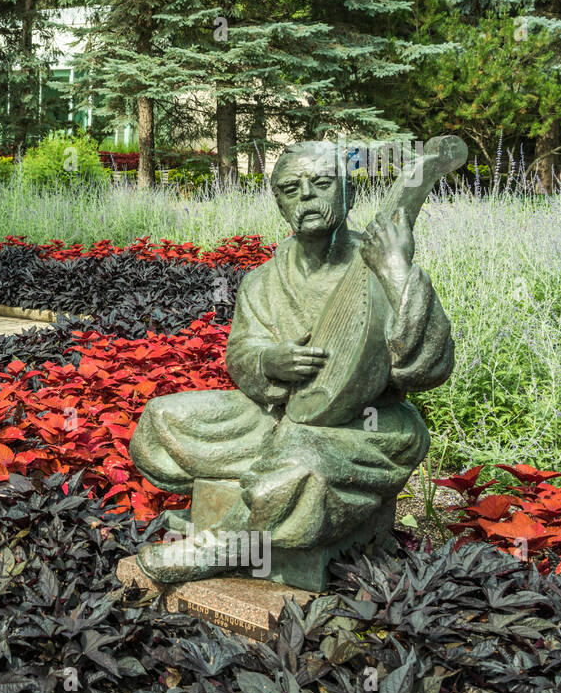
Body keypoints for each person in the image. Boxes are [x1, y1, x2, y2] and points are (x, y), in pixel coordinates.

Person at [129, 141, 454, 584]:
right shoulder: (262, 281)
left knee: (303, 465)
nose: (306, 195)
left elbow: (429, 366)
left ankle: (222, 545)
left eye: (321, 183)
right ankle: (256, 506)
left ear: (349, 194)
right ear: (279, 202)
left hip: (368, 425)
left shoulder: (380, 263)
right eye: (290, 188)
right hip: (280, 412)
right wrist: (268, 362)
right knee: (162, 419)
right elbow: (241, 353)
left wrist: (397, 273)